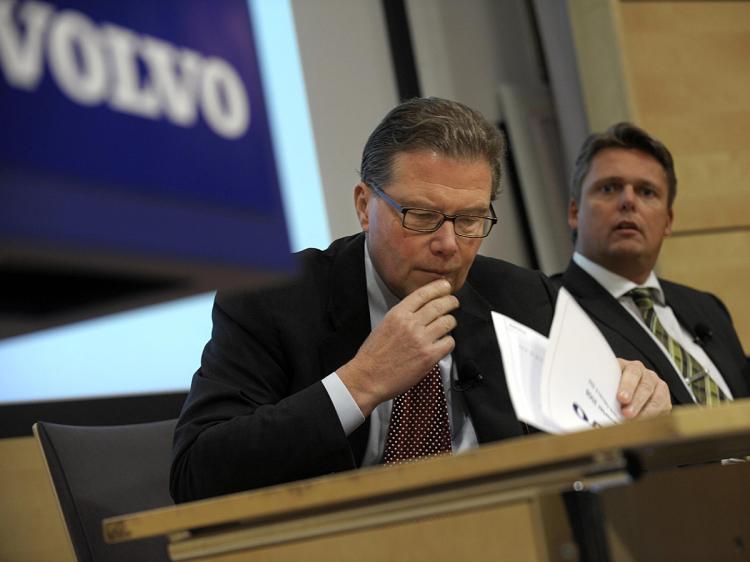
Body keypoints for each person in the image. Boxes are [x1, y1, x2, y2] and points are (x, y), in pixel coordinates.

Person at [171, 99, 670, 503]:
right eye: (422, 216)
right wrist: (361, 381)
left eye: (471, 220)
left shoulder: (523, 299)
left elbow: (582, 456)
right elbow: (198, 472)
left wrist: (631, 405)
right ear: (365, 206)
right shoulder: (271, 296)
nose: (449, 244)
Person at [561, 122, 749, 407]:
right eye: (609, 188)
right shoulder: (553, 309)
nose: (628, 201)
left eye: (647, 192)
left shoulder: (707, 308)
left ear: (668, 221)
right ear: (575, 213)